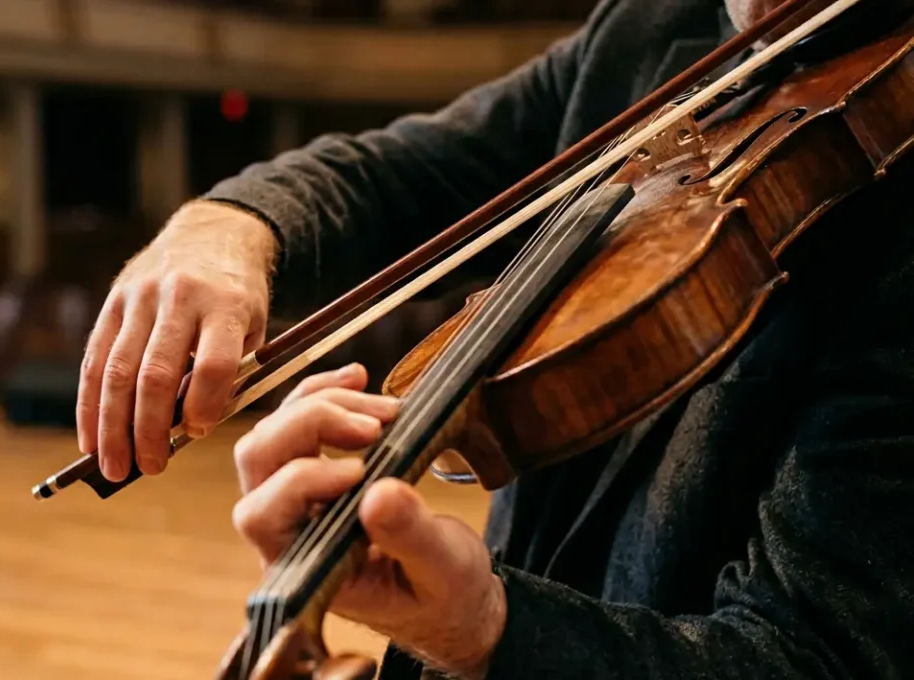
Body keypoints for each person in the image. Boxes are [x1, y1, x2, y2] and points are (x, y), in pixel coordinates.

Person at [77, 0, 914, 676]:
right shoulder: (649, 28)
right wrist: (226, 228)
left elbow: (816, 655)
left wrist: (488, 630)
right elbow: (406, 169)